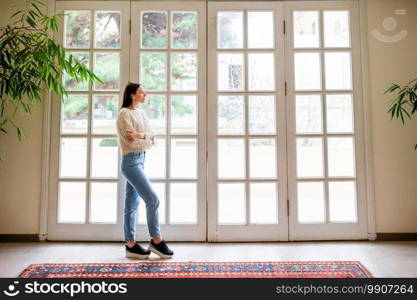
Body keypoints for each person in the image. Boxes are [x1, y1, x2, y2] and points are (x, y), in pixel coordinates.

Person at [116, 82, 174, 259]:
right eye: (142, 92)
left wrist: (142, 136)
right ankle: (156, 241)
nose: (145, 95)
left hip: (141, 160)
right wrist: (146, 138)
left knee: (131, 204)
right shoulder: (124, 114)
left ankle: (130, 245)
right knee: (152, 199)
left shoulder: (141, 113)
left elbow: (151, 139)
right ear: (132, 95)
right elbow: (129, 140)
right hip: (130, 162)